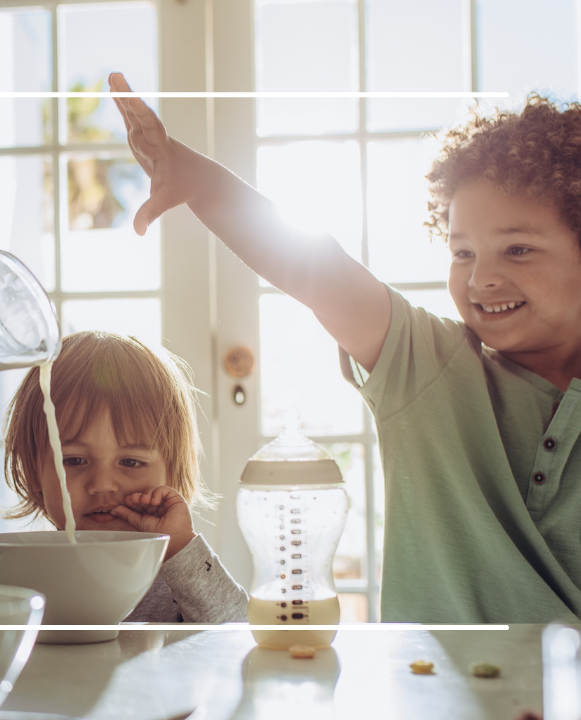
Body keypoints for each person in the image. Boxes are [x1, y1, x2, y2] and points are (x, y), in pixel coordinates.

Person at [110, 71, 581, 624]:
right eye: (462, 254)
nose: (482, 280)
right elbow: (316, 268)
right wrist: (201, 184)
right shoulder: (430, 366)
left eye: (518, 249)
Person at [2, 331, 248, 623]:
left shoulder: (179, 576)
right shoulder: (19, 572)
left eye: (131, 462)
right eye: (74, 460)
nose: (103, 484)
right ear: (33, 472)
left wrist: (181, 549)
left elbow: (237, 632)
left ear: (172, 470)